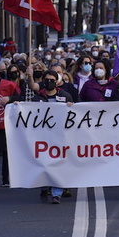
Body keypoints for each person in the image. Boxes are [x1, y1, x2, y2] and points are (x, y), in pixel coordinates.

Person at [34, 70, 74, 204]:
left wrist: (71, 107)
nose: (49, 82)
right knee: (44, 163)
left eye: (52, 80)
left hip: (60, 136)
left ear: (57, 82)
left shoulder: (65, 95)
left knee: (59, 163)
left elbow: (73, 114)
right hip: (43, 136)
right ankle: (44, 187)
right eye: (47, 80)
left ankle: (57, 193)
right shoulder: (38, 97)